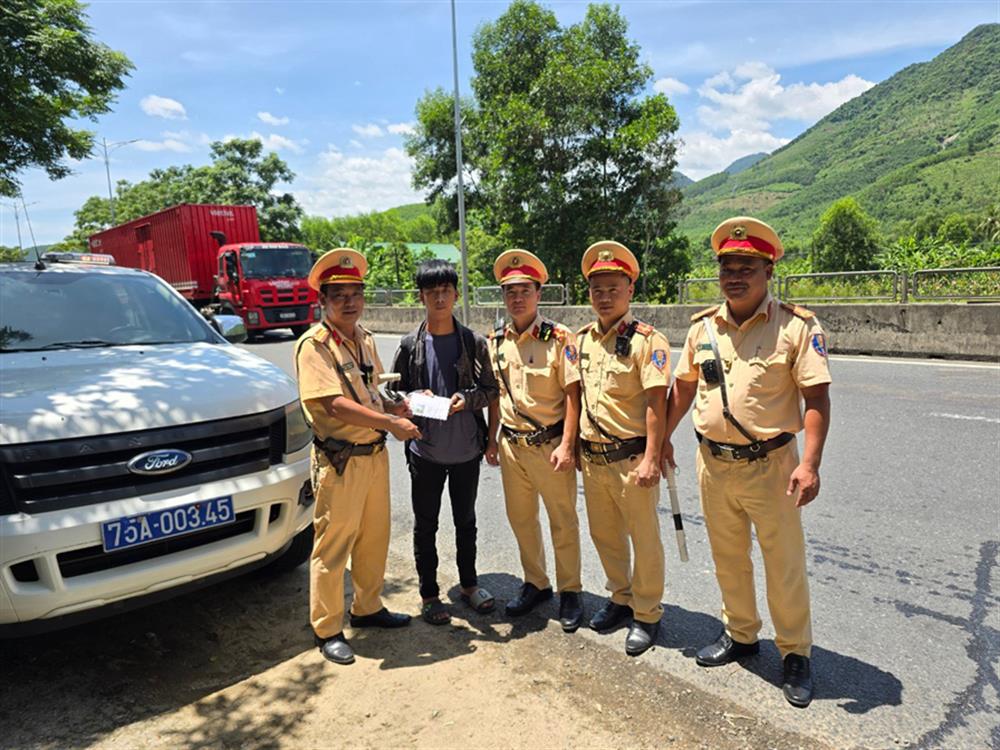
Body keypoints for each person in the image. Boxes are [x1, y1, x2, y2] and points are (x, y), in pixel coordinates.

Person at [662, 216, 832, 708]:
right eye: (727, 267)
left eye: (747, 267)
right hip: (713, 464)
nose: (735, 275)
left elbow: (816, 398)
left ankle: (795, 653)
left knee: (784, 565)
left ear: (767, 271)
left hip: (772, 466)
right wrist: (662, 442)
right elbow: (685, 388)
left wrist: (812, 464)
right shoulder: (702, 327)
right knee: (728, 559)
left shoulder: (796, 326)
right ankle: (740, 634)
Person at [295, 248, 421, 666]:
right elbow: (333, 404)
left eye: (355, 293)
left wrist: (394, 409)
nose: (349, 302)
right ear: (323, 301)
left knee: (373, 539)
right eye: (339, 295)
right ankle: (327, 628)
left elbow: (371, 393)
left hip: (373, 456)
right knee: (333, 546)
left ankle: (367, 608)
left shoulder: (364, 339)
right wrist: (389, 424)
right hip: (340, 461)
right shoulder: (314, 347)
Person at [391, 259, 500, 625]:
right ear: (421, 296)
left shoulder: (473, 342)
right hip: (425, 451)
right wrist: (410, 396)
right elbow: (391, 393)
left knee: (466, 520)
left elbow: (491, 390)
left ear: (455, 294)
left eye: (446, 290)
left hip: (467, 450)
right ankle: (429, 594)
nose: (439, 297)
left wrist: (466, 401)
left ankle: (469, 586)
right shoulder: (410, 345)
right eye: (431, 291)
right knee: (426, 525)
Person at [577, 240, 670, 656]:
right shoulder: (581, 341)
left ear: (630, 289)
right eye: (597, 288)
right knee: (605, 535)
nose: (604, 296)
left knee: (644, 539)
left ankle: (648, 613)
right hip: (593, 459)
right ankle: (620, 597)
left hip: (632, 460)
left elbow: (656, 404)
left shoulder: (649, 341)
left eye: (613, 287)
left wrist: (653, 457)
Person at [483, 249, 585, 632]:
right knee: (521, 519)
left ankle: (570, 590)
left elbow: (574, 395)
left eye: (524, 290)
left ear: (538, 293)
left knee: (563, 520)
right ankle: (536, 583)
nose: (517, 298)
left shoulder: (560, 338)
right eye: (510, 291)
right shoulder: (495, 340)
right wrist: (492, 439)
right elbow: (496, 394)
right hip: (512, 447)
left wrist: (567, 444)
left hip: (550, 446)